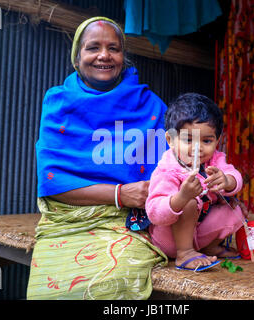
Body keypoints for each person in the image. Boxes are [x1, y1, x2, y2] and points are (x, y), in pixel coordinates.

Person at [27, 16, 168, 300]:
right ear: (77, 58)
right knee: (48, 290)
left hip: (129, 222)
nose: (104, 55)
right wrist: (120, 193)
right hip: (66, 221)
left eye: (113, 48)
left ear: (123, 57)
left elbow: (166, 173)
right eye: (93, 47)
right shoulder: (59, 104)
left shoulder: (149, 105)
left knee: (114, 278)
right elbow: (53, 182)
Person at [145, 93, 246, 271]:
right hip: (171, 240)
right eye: (188, 140)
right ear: (170, 140)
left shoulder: (215, 160)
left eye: (207, 140)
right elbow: (155, 213)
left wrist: (227, 180)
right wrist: (181, 197)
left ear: (218, 141)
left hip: (199, 231)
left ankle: (208, 247)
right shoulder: (167, 170)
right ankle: (185, 253)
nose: (197, 148)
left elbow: (235, 176)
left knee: (236, 208)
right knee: (189, 202)